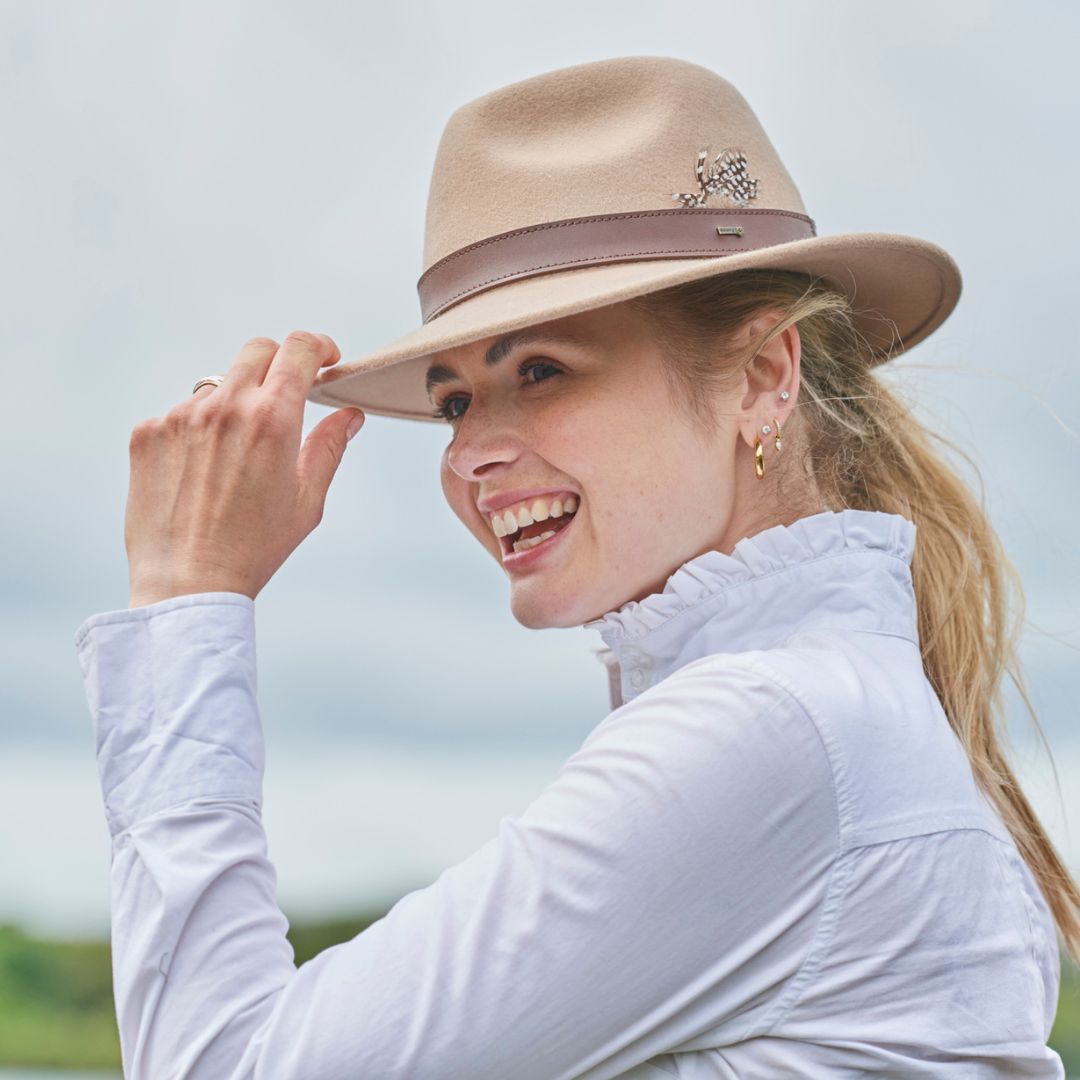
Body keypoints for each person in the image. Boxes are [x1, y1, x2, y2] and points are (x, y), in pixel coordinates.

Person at [74, 56, 1075, 1078]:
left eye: (541, 371)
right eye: (457, 399)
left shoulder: (768, 729)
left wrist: (187, 599)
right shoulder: (839, 711)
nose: (468, 455)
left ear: (763, 377)